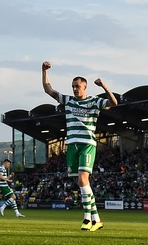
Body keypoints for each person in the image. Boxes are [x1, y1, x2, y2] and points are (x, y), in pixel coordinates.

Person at [42, 61, 117, 231]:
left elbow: (113, 102)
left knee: (83, 180)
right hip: (72, 145)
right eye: (73, 86)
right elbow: (48, 89)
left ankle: (86, 218)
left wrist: (104, 86)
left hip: (87, 144)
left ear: (85, 87)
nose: (75, 89)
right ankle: (97, 219)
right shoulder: (68, 101)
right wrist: (44, 70)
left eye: (77, 86)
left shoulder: (93, 101)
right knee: (82, 183)